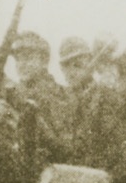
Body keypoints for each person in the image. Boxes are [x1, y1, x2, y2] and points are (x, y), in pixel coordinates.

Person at [9, 31, 76, 163]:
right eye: (18, 59)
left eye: (28, 58)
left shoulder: (58, 94)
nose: (22, 64)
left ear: (44, 62)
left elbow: (64, 147)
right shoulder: (14, 92)